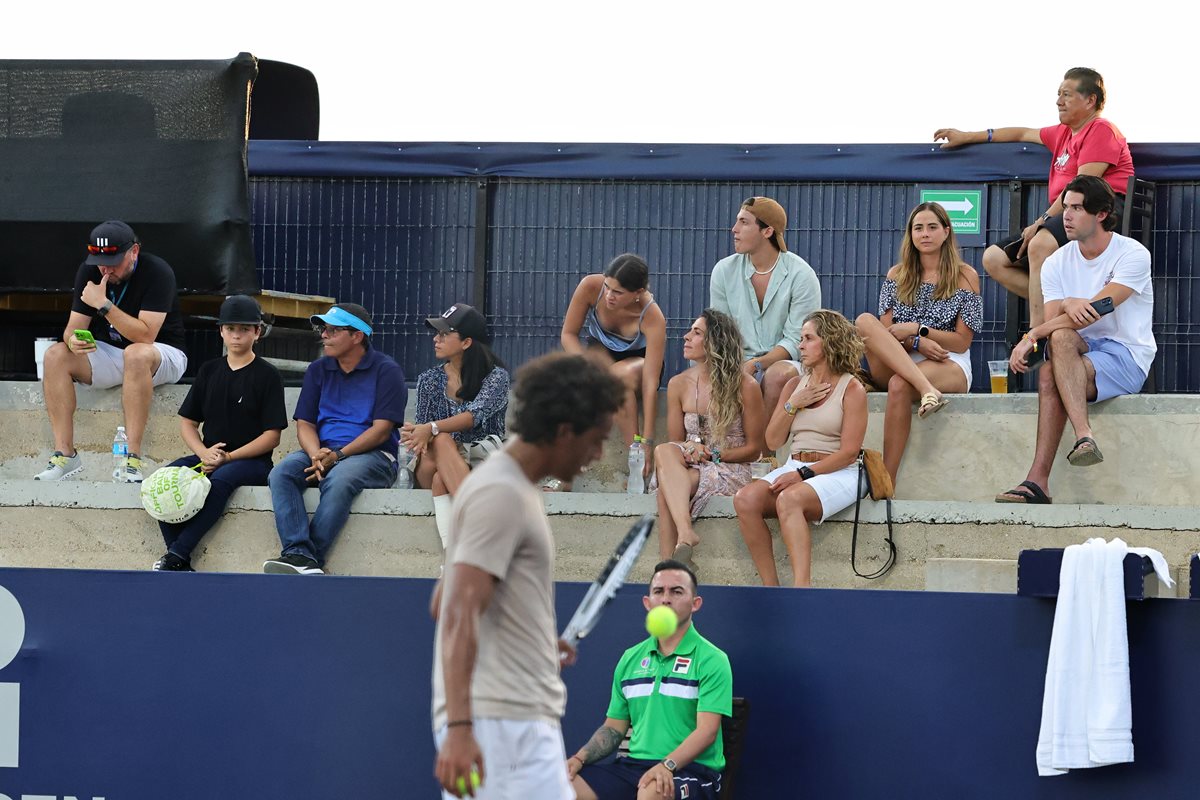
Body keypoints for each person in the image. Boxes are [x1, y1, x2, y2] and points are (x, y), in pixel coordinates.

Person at [432, 351, 625, 800]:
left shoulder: (508, 488)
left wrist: (531, 643)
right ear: (564, 431)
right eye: (596, 440)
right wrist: (460, 728)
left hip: (507, 722)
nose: (598, 455)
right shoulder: (501, 493)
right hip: (501, 726)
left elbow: (445, 600)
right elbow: (456, 610)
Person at [934, 67, 1134, 327]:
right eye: (1058, 94)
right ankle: (1063, 311)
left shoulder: (1101, 130)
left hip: (1099, 209)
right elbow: (1021, 133)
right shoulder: (1062, 132)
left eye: (1066, 94)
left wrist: (1042, 221)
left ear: (1090, 100)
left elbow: (1081, 188)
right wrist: (967, 136)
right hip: (1069, 211)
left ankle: (1038, 334)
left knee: (1039, 244)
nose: (1058, 101)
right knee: (994, 259)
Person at [997, 176, 1154, 505]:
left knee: (1049, 368)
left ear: (1101, 214)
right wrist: (1068, 304)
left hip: (1126, 356)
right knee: (1060, 339)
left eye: (1077, 208)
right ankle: (1081, 441)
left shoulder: (1132, 253)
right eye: (1065, 207)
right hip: (1075, 353)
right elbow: (1056, 320)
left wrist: (1033, 333)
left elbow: (1101, 307)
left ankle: (1038, 480)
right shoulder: (1056, 261)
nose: (1065, 216)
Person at [35, 220, 188, 482]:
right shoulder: (89, 271)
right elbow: (71, 329)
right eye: (100, 262)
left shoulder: (157, 271)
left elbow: (145, 335)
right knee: (55, 355)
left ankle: (132, 460)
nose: (105, 269)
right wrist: (73, 341)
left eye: (113, 262)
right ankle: (65, 455)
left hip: (161, 353)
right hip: (113, 352)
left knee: (136, 354)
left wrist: (103, 304)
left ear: (134, 252)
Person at [566, 560, 732, 800]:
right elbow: (614, 728)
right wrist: (579, 758)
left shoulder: (712, 659)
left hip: (693, 771)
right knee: (562, 787)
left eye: (676, 592)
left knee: (652, 791)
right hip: (634, 767)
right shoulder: (630, 659)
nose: (666, 599)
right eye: (658, 591)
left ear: (695, 603)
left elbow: (707, 731)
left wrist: (667, 765)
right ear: (647, 603)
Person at [263, 303, 406, 575]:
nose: (324, 335)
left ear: (357, 336)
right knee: (281, 474)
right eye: (323, 329)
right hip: (323, 451)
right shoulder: (318, 369)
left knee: (339, 479)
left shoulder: (387, 370)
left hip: (374, 455)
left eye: (333, 330)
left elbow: (381, 430)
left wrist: (338, 456)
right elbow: (305, 423)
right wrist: (316, 454)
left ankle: (309, 558)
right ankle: (298, 553)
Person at [733, 310, 868, 588]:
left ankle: (801, 589)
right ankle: (771, 588)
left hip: (840, 470)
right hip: (796, 464)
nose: (800, 345)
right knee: (745, 499)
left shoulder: (852, 388)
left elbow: (848, 453)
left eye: (808, 338)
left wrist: (802, 474)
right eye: (801, 338)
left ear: (829, 342)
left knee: (789, 499)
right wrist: (793, 404)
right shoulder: (795, 385)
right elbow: (772, 441)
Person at [152, 296, 287, 571]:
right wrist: (203, 453)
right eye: (230, 328)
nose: (236, 335)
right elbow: (188, 423)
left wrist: (229, 458)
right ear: (221, 331)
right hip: (209, 455)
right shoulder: (209, 370)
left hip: (251, 462)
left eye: (245, 329)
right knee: (163, 480)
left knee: (220, 481)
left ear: (257, 332)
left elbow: (272, 436)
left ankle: (177, 554)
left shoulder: (268, 375)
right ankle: (176, 557)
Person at [855, 202, 982, 485]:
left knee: (900, 384)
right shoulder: (896, 275)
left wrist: (918, 330)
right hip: (901, 356)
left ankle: (886, 481)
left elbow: (961, 342)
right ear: (910, 234)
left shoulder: (966, 276)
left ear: (946, 232)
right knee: (864, 321)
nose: (925, 234)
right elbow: (886, 334)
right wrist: (916, 343)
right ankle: (927, 389)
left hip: (947, 360)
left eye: (932, 227)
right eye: (918, 228)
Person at [652, 309, 766, 570]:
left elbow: (754, 449)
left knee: (666, 489)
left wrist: (712, 454)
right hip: (690, 464)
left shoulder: (745, 385)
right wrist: (690, 450)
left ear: (715, 342)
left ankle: (667, 567)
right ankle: (685, 535)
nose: (686, 337)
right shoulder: (678, 384)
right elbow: (675, 443)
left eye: (696, 333)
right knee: (664, 451)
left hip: (729, 468)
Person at [402, 303, 510, 549]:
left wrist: (431, 427)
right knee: (441, 440)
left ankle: (454, 553)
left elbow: (474, 416)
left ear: (466, 342)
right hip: (434, 460)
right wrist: (419, 432)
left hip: (481, 460)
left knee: (441, 478)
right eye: (436, 334)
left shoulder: (496, 377)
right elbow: (424, 432)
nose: (435, 339)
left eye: (444, 334)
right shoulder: (429, 379)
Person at [710, 196, 822, 415]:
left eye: (744, 222)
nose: (734, 229)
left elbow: (796, 340)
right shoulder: (723, 271)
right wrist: (735, 366)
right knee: (701, 368)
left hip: (787, 362)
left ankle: (765, 439)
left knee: (777, 376)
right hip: (737, 359)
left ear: (767, 231)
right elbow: (720, 331)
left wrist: (756, 364)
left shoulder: (801, 274)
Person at [561, 254, 667, 466]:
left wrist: (648, 440)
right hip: (599, 361)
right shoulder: (590, 286)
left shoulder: (652, 316)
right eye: (607, 287)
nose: (609, 296)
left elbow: (650, 382)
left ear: (638, 293)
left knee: (617, 378)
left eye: (618, 292)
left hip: (637, 366)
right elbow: (568, 334)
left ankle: (636, 454)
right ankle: (563, 469)